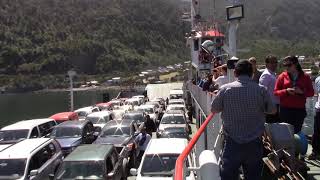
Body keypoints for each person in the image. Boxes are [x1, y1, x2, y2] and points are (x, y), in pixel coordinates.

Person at [211, 60, 275, 180]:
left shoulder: (225, 89)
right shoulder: (261, 90)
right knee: (253, 176)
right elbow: (272, 110)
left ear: (235, 73)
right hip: (254, 143)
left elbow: (214, 109)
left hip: (232, 142)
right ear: (251, 73)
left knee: (228, 176)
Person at [274, 56, 314, 133]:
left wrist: (302, 92)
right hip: (285, 110)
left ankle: (295, 145)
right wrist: (286, 91)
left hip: (299, 111)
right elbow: (275, 92)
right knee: (285, 133)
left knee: (297, 133)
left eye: (289, 65)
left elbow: (311, 93)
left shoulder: (305, 77)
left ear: (295, 64)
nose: (286, 67)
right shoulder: (282, 76)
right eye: (285, 65)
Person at [259, 55, 280, 123]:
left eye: (276, 62)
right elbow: (261, 92)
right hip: (270, 107)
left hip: (275, 106)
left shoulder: (273, 74)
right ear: (266, 64)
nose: (274, 64)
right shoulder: (266, 75)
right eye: (272, 62)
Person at [309, 74, 320, 160]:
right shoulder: (318, 79)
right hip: (319, 109)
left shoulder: (317, 79)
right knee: (316, 131)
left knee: (316, 132)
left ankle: (315, 152)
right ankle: (315, 152)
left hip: (318, 109)